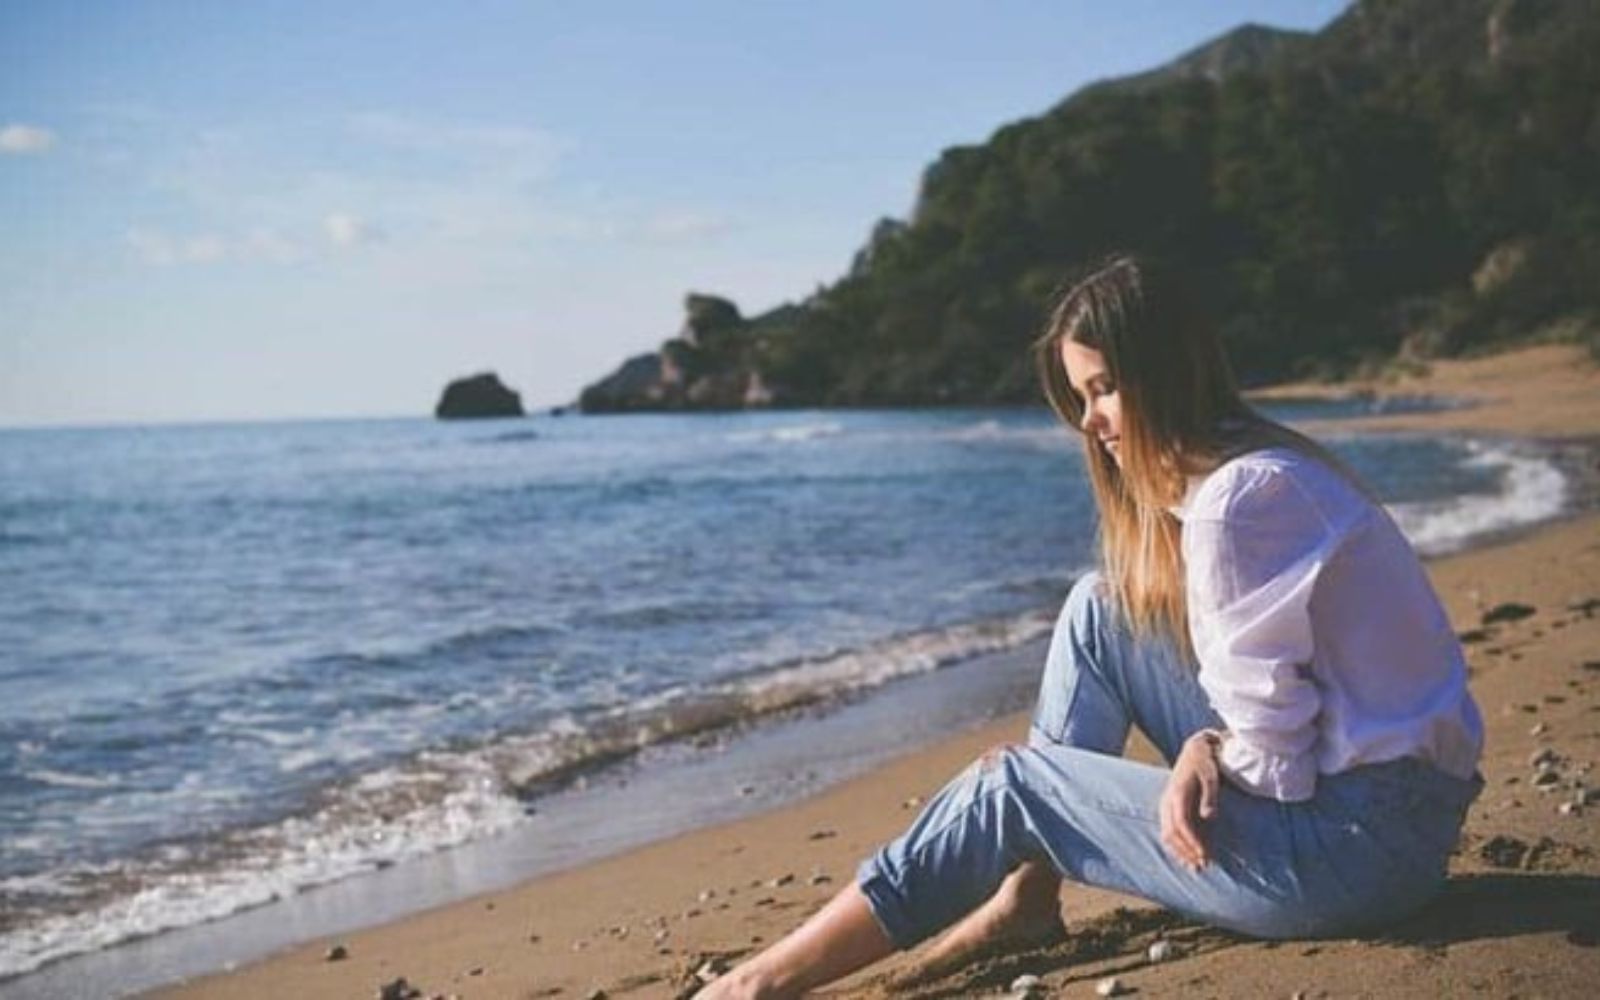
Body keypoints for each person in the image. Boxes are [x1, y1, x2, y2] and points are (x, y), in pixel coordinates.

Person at [696, 254, 1484, 999]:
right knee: (1099, 609)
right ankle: (1026, 900)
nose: (1091, 422)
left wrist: (1206, 750)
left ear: (1165, 375)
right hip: (1384, 822)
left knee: (1011, 788)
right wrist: (1211, 749)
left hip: (1350, 855)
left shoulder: (1240, 501)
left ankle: (760, 983)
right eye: (1081, 396)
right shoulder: (1259, 472)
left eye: (1104, 389)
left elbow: (1278, 766)